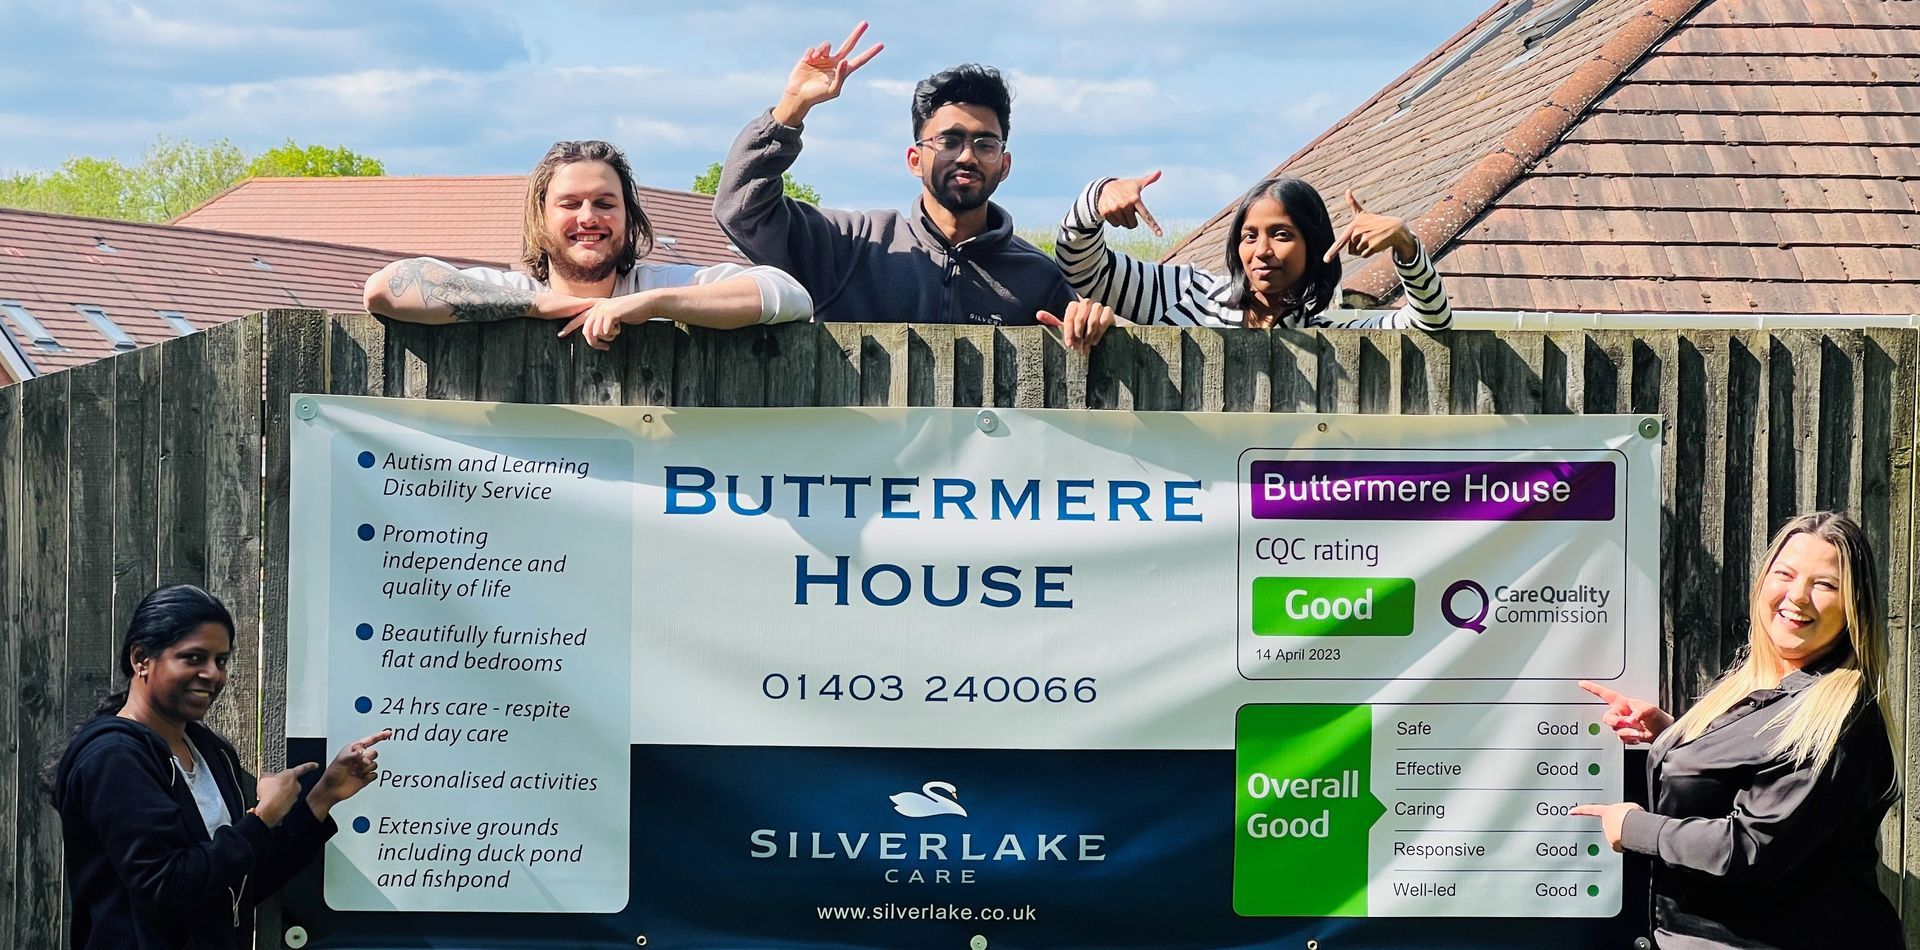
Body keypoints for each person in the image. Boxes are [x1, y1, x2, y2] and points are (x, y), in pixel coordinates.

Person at [1572, 511, 1901, 949]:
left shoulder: (1838, 716)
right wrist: (1675, 737)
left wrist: (1634, 827)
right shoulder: (1759, 687)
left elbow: (1751, 847)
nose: (1797, 596)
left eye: (1825, 585)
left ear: (1854, 606)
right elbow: (1757, 767)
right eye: (1785, 574)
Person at [713, 22, 1114, 352]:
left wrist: (1094, 325)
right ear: (914, 159)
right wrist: (792, 108)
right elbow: (742, 210)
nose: (967, 156)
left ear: (1004, 164)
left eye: (985, 144)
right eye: (949, 141)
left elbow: (1083, 369)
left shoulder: (1038, 278)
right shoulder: (853, 245)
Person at [53, 585, 389, 950]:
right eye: (194, 658)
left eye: (221, 661)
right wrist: (262, 818)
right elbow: (166, 888)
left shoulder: (211, 752)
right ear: (141, 659)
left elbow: (237, 881)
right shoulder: (114, 758)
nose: (213, 674)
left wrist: (322, 797)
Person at [363, 139, 813, 349]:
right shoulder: (510, 291)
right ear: (540, 217)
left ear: (628, 217)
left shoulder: (661, 285)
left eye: (604, 203)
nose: (588, 218)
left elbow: (790, 294)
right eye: (569, 203)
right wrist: (542, 307)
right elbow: (385, 289)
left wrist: (653, 304)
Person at [1052, 171, 1452, 335]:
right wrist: (1099, 196)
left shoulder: (1330, 335)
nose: (1262, 251)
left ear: (1314, 244)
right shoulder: (1187, 294)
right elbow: (1081, 268)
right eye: (1249, 236)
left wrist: (1406, 246)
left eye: (1281, 234)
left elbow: (1431, 325)